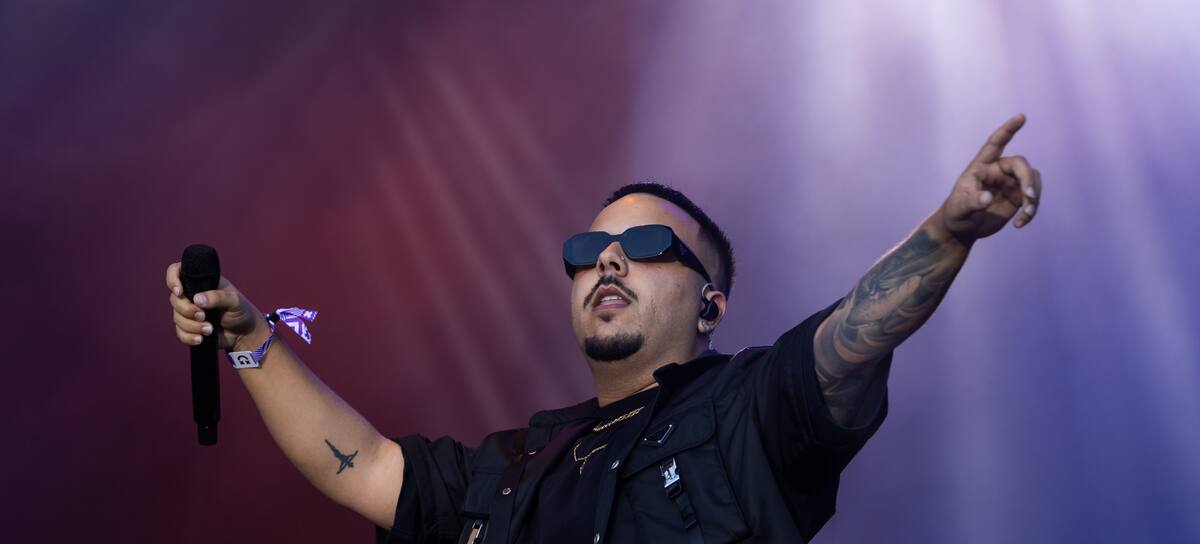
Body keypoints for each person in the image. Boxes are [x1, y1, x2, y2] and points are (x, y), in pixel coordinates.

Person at [166, 115, 1043, 543]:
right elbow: (359, 465)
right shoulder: (514, 466)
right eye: (588, 251)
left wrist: (947, 232)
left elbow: (854, 337)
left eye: (647, 246)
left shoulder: (750, 410)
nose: (609, 261)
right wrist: (249, 335)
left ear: (711, 305)